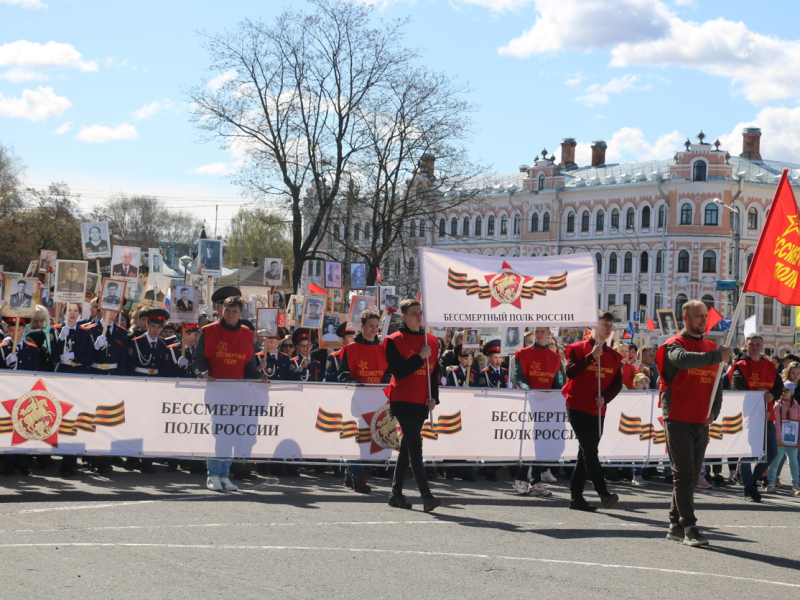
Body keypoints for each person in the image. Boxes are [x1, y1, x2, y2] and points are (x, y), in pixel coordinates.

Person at [655, 299, 730, 547]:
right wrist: (716, 356)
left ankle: (674, 525)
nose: (703, 320)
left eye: (705, 315)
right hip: (677, 417)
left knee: (689, 476)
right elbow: (685, 360)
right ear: (685, 318)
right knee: (685, 474)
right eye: (698, 315)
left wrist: (715, 410)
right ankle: (690, 525)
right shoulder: (673, 345)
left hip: (702, 419)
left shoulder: (711, 346)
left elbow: (717, 384)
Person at [192, 296, 266, 490]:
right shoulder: (208, 332)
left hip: (238, 393)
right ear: (220, 310)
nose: (231, 314)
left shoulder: (247, 334)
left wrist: (259, 376)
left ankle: (224, 475)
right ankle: (213, 475)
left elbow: (249, 365)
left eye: (234, 311)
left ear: (241, 313)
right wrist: (202, 372)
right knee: (218, 434)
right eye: (227, 310)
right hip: (216, 390)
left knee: (232, 435)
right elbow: (198, 359)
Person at [562, 310, 623, 512]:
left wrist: (605, 398)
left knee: (585, 453)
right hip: (577, 405)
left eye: (610, 326)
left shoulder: (614, 356)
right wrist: (590, 357)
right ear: (594, 327)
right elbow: (570, 373)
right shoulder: (577, 348)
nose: (607, 329)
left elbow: (617, 384)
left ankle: (576, 497)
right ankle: (603, 493)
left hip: (598, 410)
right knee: (590, 450)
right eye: (604, 325)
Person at [383, 299, 441, 512]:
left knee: (407, 450)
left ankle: (396, 494)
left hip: (421, 401)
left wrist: (434, 397)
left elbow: (434, 374)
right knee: (416, 447)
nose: (419, 316)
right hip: (403, 399)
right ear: (404, 317)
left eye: (420, 312)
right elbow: (399, 371)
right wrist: (419, 357)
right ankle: (426, 495)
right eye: (414, 313)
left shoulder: (433, 341)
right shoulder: (393, 340)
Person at [337, 310, 388, 494]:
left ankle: (351, 473)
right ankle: (358, 476)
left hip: (377, 401)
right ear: (363, 327)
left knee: (368, 440)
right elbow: (342, 374)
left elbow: (388, 373)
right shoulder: (350, 348)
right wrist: (352, 383)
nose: (375, 329)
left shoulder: (383, 348)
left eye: (377, 326)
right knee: (356, 438)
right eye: (371, 326)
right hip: (356, 401)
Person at [729, 332, 781, 501]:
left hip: (767, 416)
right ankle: (748, 488)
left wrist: (773, 396)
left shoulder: (770, 366)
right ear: (746, 345)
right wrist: (758, 408)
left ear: (762, 345)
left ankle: (751, 480)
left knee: (772, 452)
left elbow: (778, 388)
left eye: (758, 344)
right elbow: (739, 392)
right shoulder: (740, 366)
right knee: (746, 453)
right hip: (748, 417)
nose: (755, 347)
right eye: (751, 344)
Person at [512, 326, 563, 497]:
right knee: (528, 442)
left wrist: (559, 393)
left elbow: (556, 381)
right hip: (530, 402)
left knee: (543, 442)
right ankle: (520, 479)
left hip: (547, 405)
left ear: (548, 333)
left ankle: (536, 480)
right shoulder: (523, 353)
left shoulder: (555, 357)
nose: (539, 334)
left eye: (543, 331)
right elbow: (519, 377)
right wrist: (529, 389)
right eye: (537, 331)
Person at [0, 316, 40, 477]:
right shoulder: (2, 348)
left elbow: (36, 372)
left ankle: (23, 462)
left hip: (25, 393)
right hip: (7, 394)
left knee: (25, 427)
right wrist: (6, 365)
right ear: (7, 330)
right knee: (9, 428)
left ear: (24, 330)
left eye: (19, 329)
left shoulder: (32, 349)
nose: (15, 333)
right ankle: (7, 463)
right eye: (11, 330)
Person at [767, 387, 799, 495]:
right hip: (780, 441)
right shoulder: (776, 405)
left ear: (791, 392)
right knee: (775, 462)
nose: (783, 393)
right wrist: (778, 438)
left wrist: (798, 440)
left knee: (794, 463)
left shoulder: (797, 407)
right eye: (782, 390)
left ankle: (796, 485)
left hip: (793, 442)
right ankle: (770, 482)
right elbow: (776, 423)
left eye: (786, 391)